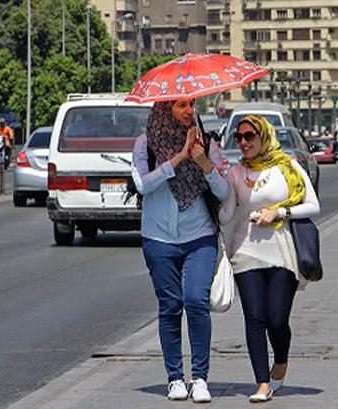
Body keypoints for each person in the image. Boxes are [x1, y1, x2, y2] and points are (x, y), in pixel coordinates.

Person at [132, 99, 230, 403]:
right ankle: (175, 378)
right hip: (159, 239)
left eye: (192, 105)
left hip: (199, 236)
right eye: (180, 105)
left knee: (195, 302)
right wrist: (177, 159)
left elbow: (224, 192)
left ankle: (199, 377)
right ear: (165, 110)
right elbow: (142, 185)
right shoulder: (145, 143)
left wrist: (203, 163)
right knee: (170, 306)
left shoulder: (207, 143)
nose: (189, 111)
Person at [219, 115, 320, 403]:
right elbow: (226, 215)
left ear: (264, 136)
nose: (243, 142)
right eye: (239, 137)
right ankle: (262, 382)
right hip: (246, 252)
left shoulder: (288, 167)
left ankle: (282, 358)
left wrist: (280, 212)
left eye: (250, 136)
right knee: (254, 318)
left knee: (277, 319)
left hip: (281, 251)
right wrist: (212, 180)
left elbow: (313, 205)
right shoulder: (236, 173)